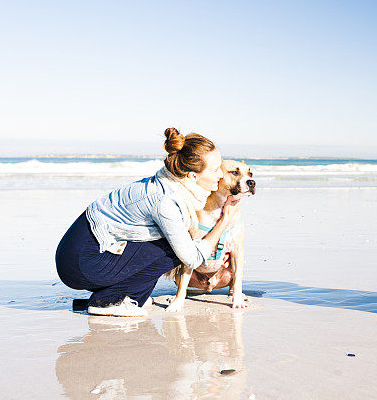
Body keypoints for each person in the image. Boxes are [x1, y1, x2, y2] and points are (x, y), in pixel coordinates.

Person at [55, 128, 241, 317]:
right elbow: (191, 258)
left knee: (174, 244)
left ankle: (125, 297)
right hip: (80, 262)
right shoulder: (166, 201)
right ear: (193, 176)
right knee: (178, 248)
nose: (220, 175)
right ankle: (107, 302)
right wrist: (224, 221)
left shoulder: (170, 185)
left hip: (85, 255)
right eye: (216, 169)